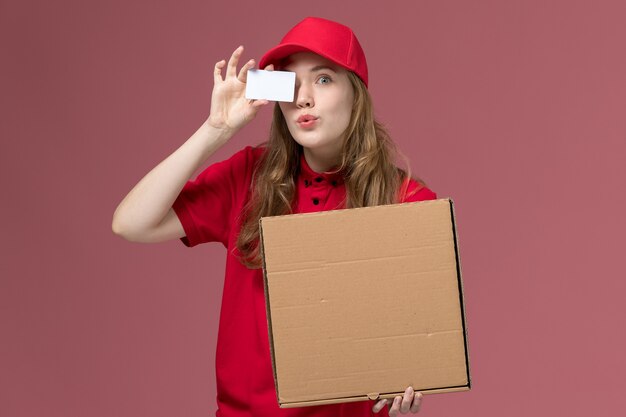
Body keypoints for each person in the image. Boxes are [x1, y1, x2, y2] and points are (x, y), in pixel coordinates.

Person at [113, 16, 434, 417]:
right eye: (290, 83)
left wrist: (409, 388)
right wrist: (214, 131)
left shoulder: (407, 202)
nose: (303, 98)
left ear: (356, 93)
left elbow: (419, 341)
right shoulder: (248, 177)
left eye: (323, 79)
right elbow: (131, 222)